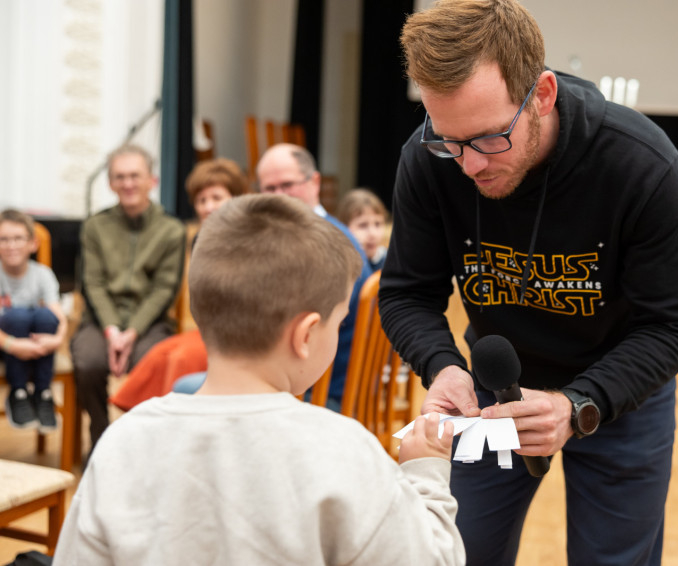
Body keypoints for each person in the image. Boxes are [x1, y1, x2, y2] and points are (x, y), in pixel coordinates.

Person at [378, 1, 678, 565]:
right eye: (448, 141)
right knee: (460, 552)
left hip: (618, 391)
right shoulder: (428, 159)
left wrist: (579, 404)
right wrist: (443, 366)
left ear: (544, 95)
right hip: (492, 393)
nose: (469, 166)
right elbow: (408, 292)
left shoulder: (641, 164)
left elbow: (673, 324)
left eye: (488, 138)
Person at [53, 194, 465, 566]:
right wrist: (426, 473)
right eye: (338, 323)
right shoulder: (343, 449)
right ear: (305, 335)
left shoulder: (122, 442)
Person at [109, 157, 250, 411]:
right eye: (201, 200)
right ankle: (149, 425)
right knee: (158, 355)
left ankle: (173, 427)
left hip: (243, 336)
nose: (208, 207)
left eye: (216, 198)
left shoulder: (250, 239)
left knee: (180, 359)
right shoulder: (200, 240)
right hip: (211, 331)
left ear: (236, 199)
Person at [71, 144, 185, 453]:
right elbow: (92, 283)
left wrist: (131, 332)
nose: (128, 183)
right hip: (100, 321)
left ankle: (141, 447)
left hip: (150, 323)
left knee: (156, 363)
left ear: (152, 180)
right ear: (111, 183)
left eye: (135, 175)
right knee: (88, 361)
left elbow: (164, 289)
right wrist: (112, 332)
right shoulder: (95, 226)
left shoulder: (171, 230)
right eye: (120, 177)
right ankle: (100, 439)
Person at [256, 143, 372, 410]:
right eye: (269, 188)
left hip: (321, 394)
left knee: (189, 389)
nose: (280, 196)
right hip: (301, 382)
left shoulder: (329, 243)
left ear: (315, 182)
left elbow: (296, 333)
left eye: (288, 184)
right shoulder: (296, 237)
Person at [0, 209, 68, 432]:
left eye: (18, 238)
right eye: (4, 239)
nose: (11, 245)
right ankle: (18, 391)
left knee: (45, 317)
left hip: (36, 344)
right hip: (5, 344)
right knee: (17, 316)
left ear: (33, 243)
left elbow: (59, 316)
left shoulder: (43, 274)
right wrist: (13, 345)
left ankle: (43, 392)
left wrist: (57, 340)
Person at [337, 188, 390, 271]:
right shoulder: (338, 264)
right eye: (363, 225)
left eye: (377, 224)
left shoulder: (390, 261)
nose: (373, 233)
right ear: (343, 227)